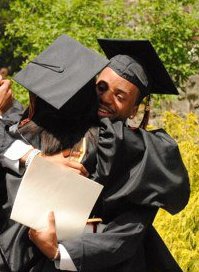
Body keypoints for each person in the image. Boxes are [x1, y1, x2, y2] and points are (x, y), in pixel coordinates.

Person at [0, 37, 189, 272]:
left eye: (121, 96)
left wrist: (61, 253)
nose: (106, 98)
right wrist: (33, 157)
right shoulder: (58, 129)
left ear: (134, 110)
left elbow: (127, 234)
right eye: (101, 88)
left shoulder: (139, 160)